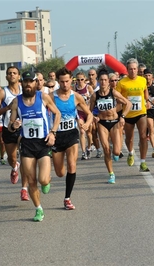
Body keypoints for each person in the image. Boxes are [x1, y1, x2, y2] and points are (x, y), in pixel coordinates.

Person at [8, 70, 61, 221]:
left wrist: (53, 133)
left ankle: (46, 181)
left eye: (31, 81)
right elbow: (10, 125)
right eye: (25, 82)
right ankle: (38, 209)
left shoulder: (43, 97)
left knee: (43, 179)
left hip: (43, 143)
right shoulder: (17, 102)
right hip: (27, 145)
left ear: (36, 83)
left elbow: (57, 114)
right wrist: (15, 125)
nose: (28, 84)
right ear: (22, 83)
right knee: (31, 180)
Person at [51, 67, 93, 210]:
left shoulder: (76, 97)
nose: (65, 85)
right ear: (58, 82)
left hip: (71, 134)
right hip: (57, 136)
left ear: (71, 80)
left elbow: (89, 114)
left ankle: (67, 198)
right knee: (60, 172)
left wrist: (86, 124)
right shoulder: (51, 97)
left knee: (72, 165)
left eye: (67, 81)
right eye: (62, 82)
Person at [0, 66, 29, 200]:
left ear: (19, 76)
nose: (12, 75)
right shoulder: (2, 92)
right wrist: (8, 107)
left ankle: (24, 189)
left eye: (14, 73)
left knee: (25, 158)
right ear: (6, 77)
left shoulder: (25, 90)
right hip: (8, 129)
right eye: (9, 73)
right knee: (12, 159)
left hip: (24, 129)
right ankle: (14, 167)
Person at [89, 68, 131, 184]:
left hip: (114, 122)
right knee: (106, 150)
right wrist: (93, 117)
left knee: (117, 152)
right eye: (101, 80)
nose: (103, 82)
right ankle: (111, 174)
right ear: (98, 81)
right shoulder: (95, 96)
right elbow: (89, 111)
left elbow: (128, 103)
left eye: (105, 80)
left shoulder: (113, 93)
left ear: (108, 81)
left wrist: (122, 116)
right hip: (102, 123)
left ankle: (115, 152)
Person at [116, 58, 151, 172]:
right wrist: (124, 102)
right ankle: (131, 153)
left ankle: (143, 162)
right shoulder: (122, 82)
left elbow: (145, 91)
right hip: (128, 114)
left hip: (141, 112)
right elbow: (117, 97)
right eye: (130, 69)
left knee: (143, 137)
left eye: (135, 69)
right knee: (129, 138)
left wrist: (148, 101)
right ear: (127, 70)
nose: (133, 71)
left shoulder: (142, 80)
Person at [74, 72, 94, 160]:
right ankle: (83, 152)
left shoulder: (88, 87)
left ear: (85, 79)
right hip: (79, 113)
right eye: (78, 80)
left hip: (88, 112)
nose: (80, 81)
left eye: (82, 79)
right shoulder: (74, 89)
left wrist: (89, 97)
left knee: (89, 133)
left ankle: (89, 147)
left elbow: (94, 98)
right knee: (82, 131)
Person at [87, 68, 103, 158]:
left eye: (93, 75)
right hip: (91, 112)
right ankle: (98, 150)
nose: (91, 77)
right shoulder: (86, 87)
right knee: (93, 131)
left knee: (102, 132)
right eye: (89, 75)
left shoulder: (100, 85)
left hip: (101, 112)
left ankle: (109, 147)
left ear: (96, 75)